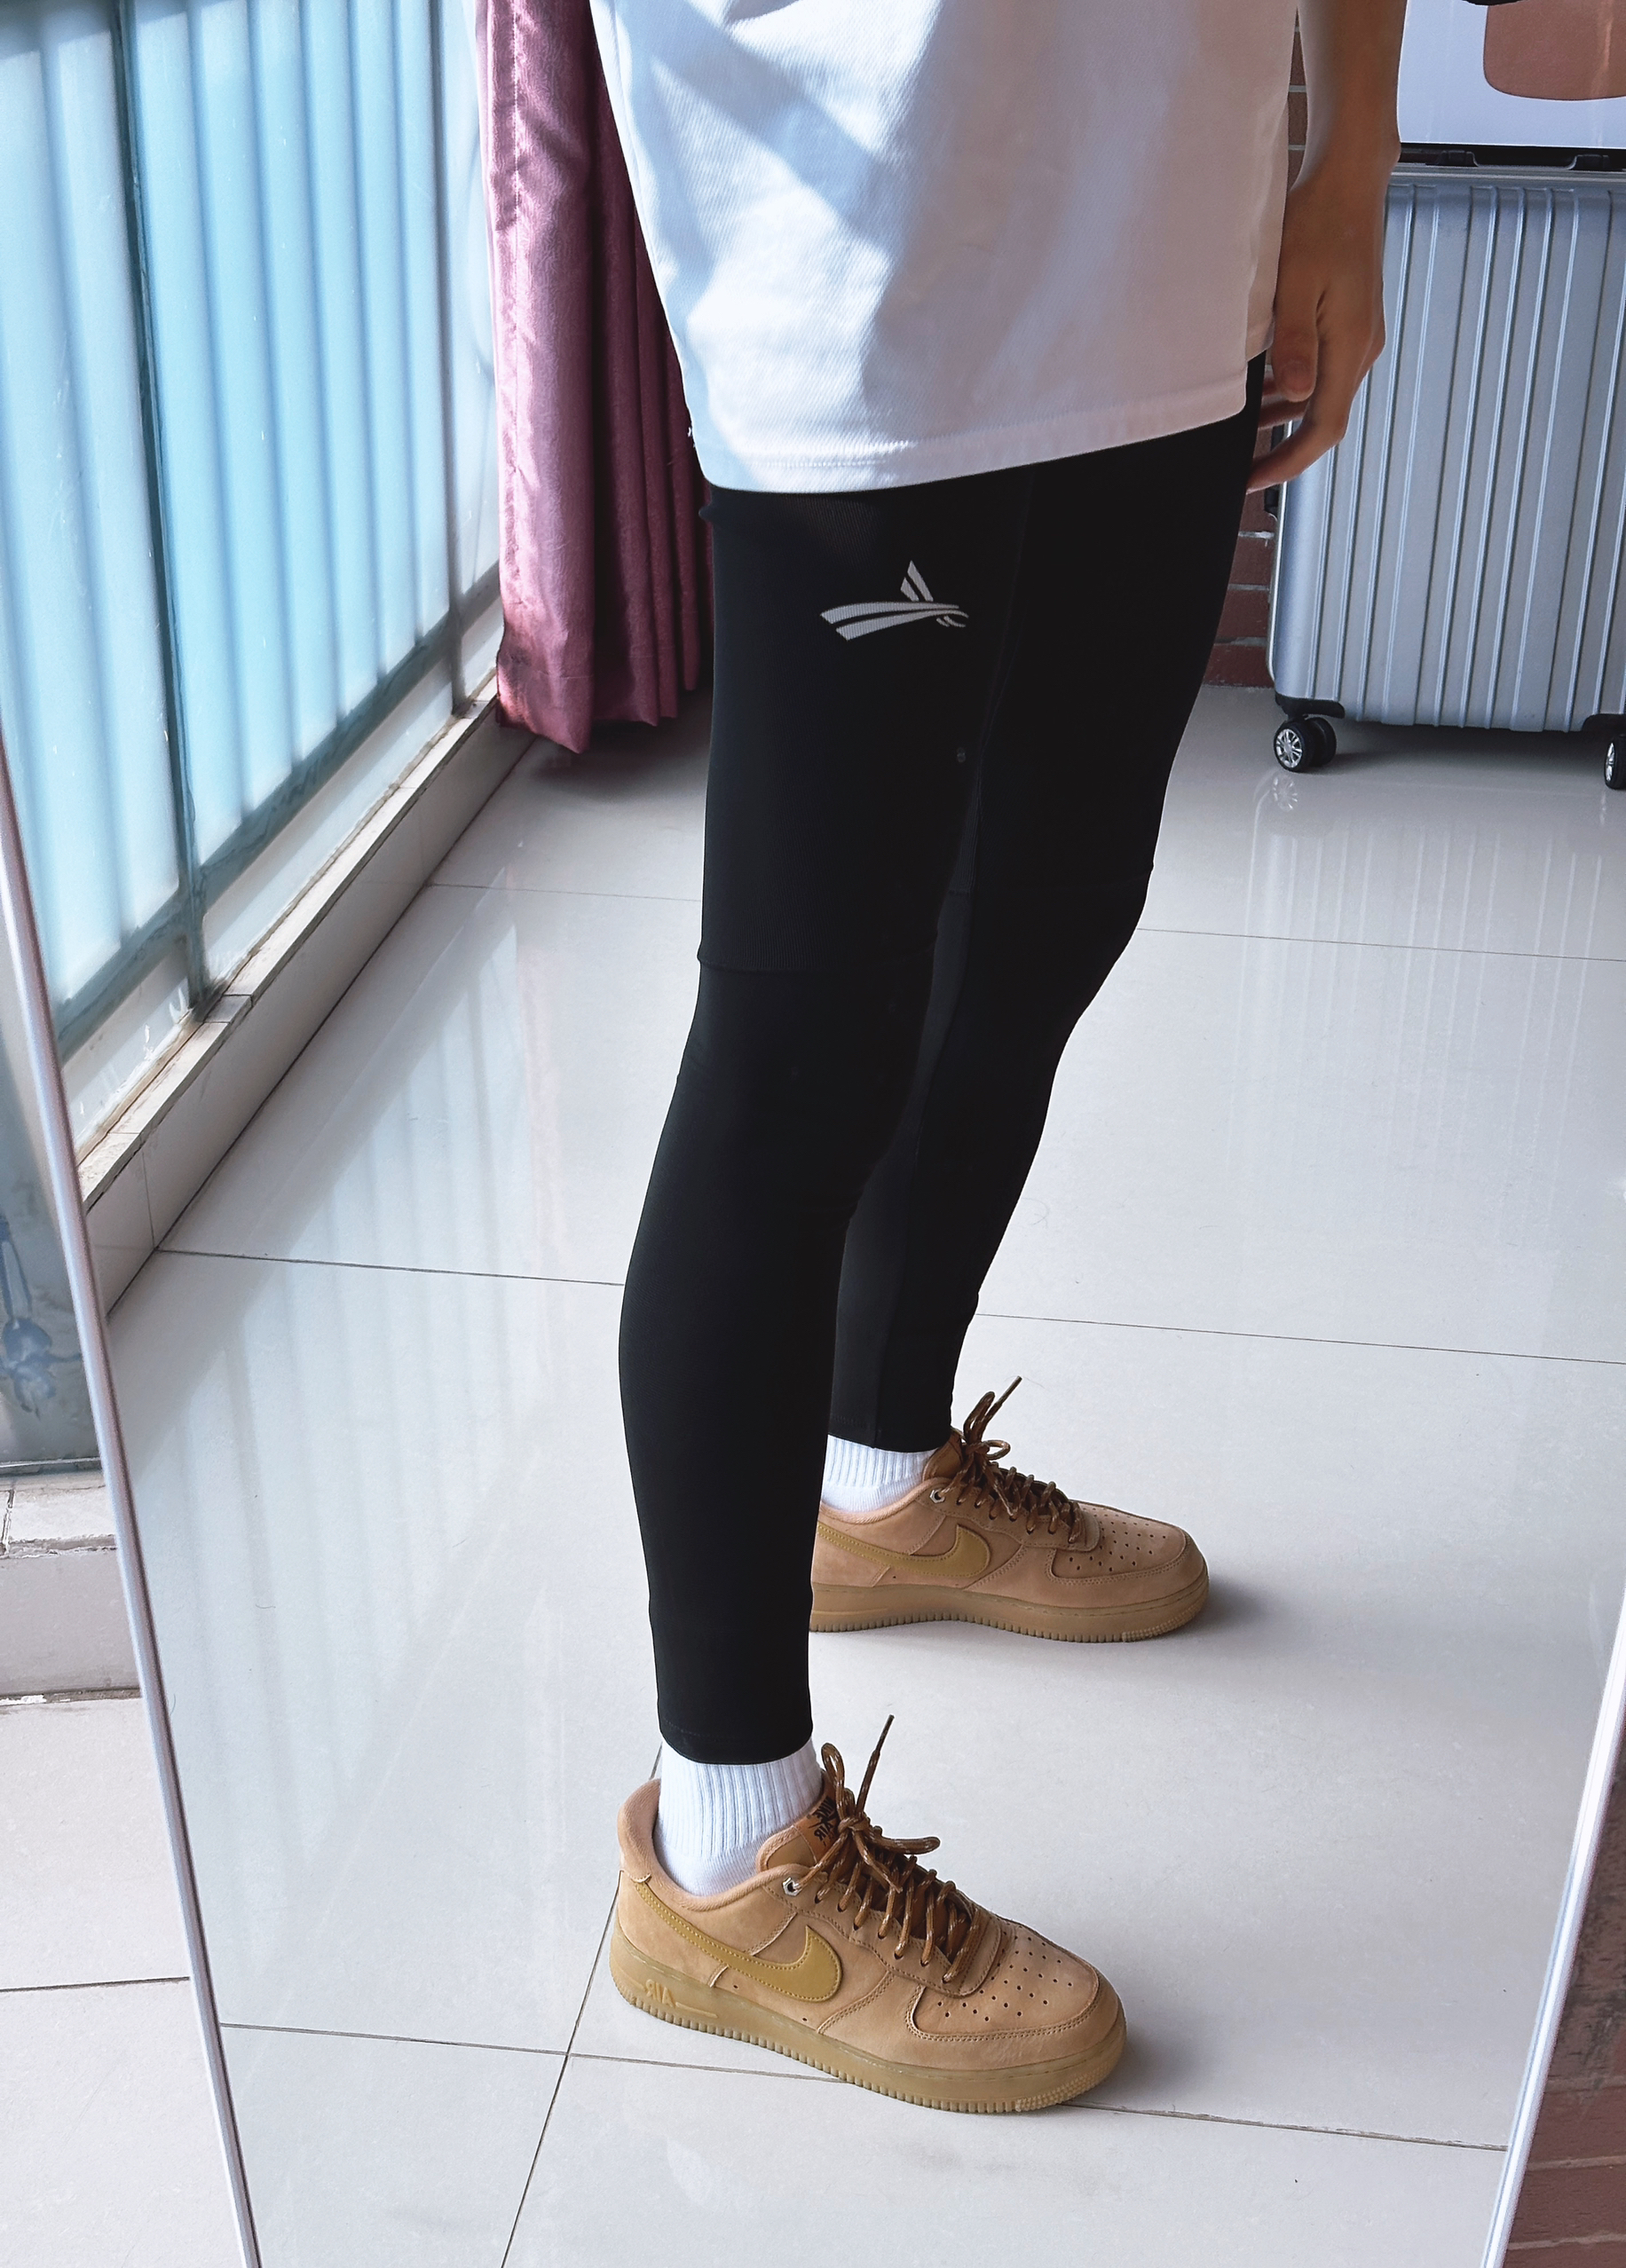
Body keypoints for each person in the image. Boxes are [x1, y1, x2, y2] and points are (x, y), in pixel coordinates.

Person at [594, 0, 1406, 2111]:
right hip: (861, 228)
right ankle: (727, 1858)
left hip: (1173, 216)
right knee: (806, 1035)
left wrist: (1348, 164)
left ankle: (879, 1487)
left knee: (1049, 912)